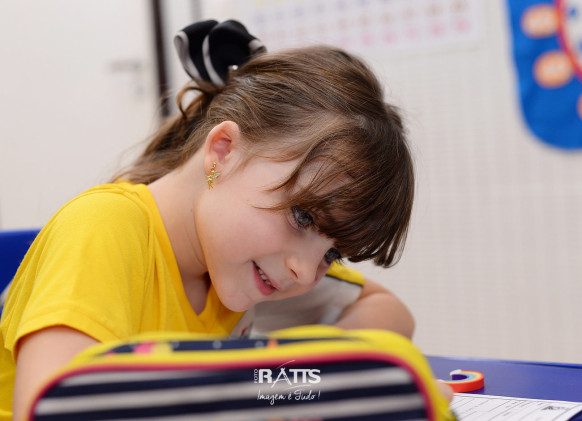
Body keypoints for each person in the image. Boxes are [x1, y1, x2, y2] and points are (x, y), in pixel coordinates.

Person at [0, 19, 448, 420]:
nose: (305, 272)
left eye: (332, 253)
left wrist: (287, 381)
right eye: (302, 216)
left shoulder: (237, 264)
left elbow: (390, 315)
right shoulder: (104, 228)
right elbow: (52, 406)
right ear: (223, 151)